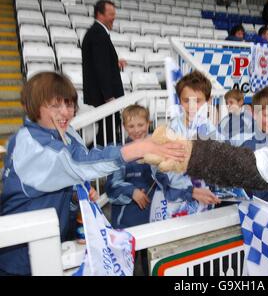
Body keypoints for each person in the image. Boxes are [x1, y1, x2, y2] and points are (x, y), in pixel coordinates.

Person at [0, 72, 186, 276]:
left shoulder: (61, 130)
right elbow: (78, 163)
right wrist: (140, 147)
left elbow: (64, 175)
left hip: (49, 244)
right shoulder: (30, 143)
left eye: (69, 104)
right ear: (34, 106)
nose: (65, 112)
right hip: (20, 254)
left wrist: (74, 200)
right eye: (55, 105)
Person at [150, 71, 221, 221]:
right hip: (174, 204)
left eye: (198, 101)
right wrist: (190, 191)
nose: (192, 106)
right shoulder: (169, 131)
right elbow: (158, 170)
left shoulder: (214, 134)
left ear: (209, 101)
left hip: (204, 203)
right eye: (186, 100)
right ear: (179, 101)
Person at [105, 104, 155, 275]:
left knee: (151, 265)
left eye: (140, 125)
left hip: (153, 221)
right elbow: (111, 188)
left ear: (148, 124)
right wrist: (132, 192)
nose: (136, 130)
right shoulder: (120, 153)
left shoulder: (156, 150)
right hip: (126, 225)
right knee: (128, 269)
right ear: (124, 127)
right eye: (131, 126)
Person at [82, 0, 127, 147]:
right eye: (111, 14)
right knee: (106, 134)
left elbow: (100, 62)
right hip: (104, 98)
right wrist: (108, 96)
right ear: (100, 14)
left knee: (107, 132)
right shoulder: (98, 34)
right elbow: (100, 68)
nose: (114, 17)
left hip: (103, 96)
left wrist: (115, 62)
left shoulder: (97, 33)